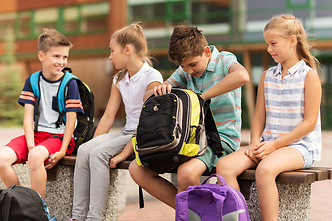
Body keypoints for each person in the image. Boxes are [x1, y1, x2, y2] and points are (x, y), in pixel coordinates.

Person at [129, 24, 250, 208]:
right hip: (189, 141)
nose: (189, 71)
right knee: (136, 170)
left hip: (220, 142)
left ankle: (194, 213)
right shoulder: (185, 71)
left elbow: (242, 76)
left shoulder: (224, 60)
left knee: (186, 173)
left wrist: (202, 98)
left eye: (193, 64)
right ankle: (196, 213)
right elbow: (146, 97)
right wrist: (160, 90)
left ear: (207, 52)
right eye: (183, 66)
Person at [216, 14, 322, 221]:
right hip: (266, 144)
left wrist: (274, 146)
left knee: (264, 170)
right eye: (267, 44)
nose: (268, 49)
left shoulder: (309, 76)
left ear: (292, 41)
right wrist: (255, 143)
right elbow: (258, 117)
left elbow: (309, 123)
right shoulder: (266, 76)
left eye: (273, 43)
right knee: (224, 166)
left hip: (299, 147)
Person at [70, 23, 163, 221]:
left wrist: (125, 153)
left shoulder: (152, 77)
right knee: (86, 150)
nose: (110, 56)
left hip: (142, 136)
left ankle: (94, 218)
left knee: (98, 154)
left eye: (112, 51)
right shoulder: (119, 78)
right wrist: (91, 143)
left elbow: (149, 123)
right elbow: (109, 116)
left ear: (127, 49)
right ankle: (77, 217)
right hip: (125, 132)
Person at [0, 29, 82, 198]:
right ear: (41, 56)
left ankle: (39, 210)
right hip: (37, 136)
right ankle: (23, 203)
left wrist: (62, 150)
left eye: (65, 57)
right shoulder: (32, 80)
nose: (61, 61)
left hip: (59, 138)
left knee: (36, 156)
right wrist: (30, 144)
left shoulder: (70, 83)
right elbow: (28, 117)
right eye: (56, 56)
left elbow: (71, 121)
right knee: (1, 158)